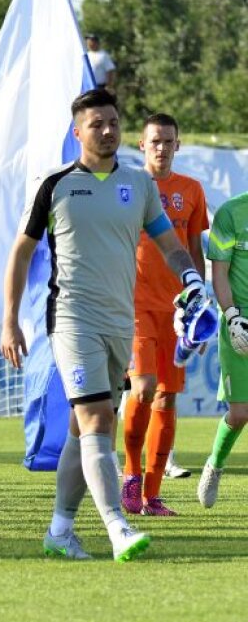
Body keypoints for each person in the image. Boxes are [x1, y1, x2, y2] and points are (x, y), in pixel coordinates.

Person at [1, 88, 207, 562]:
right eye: (97, 124)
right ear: (78, 132)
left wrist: (191, 279)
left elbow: (171, 244)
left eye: (113, 122)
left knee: (86, 429)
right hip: (72, 319)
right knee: (97, 418)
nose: (108, 130)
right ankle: (117, 525)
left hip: (120, 321)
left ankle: (59, 529)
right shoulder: (54, 184)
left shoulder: (139, 185)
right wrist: (10, 320)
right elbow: (21, 251)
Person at [122, 113, 208, 516]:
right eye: (154, 141)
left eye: (168, 141)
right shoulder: (126, 187)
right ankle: (130, 477)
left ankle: (152, 496)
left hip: (176, 312)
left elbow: (193, 251)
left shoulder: (191, 190)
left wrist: (199, 305)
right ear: (141, 144)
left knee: (168, 399)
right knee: (143, 388)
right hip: (135, 307)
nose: (161, 147)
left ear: (178, 145)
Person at [196, 191, 248, 508]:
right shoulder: (231, 213)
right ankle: (215, 465)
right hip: (239, 322)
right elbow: (219, 274)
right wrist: (232, 317)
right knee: (241, 413)